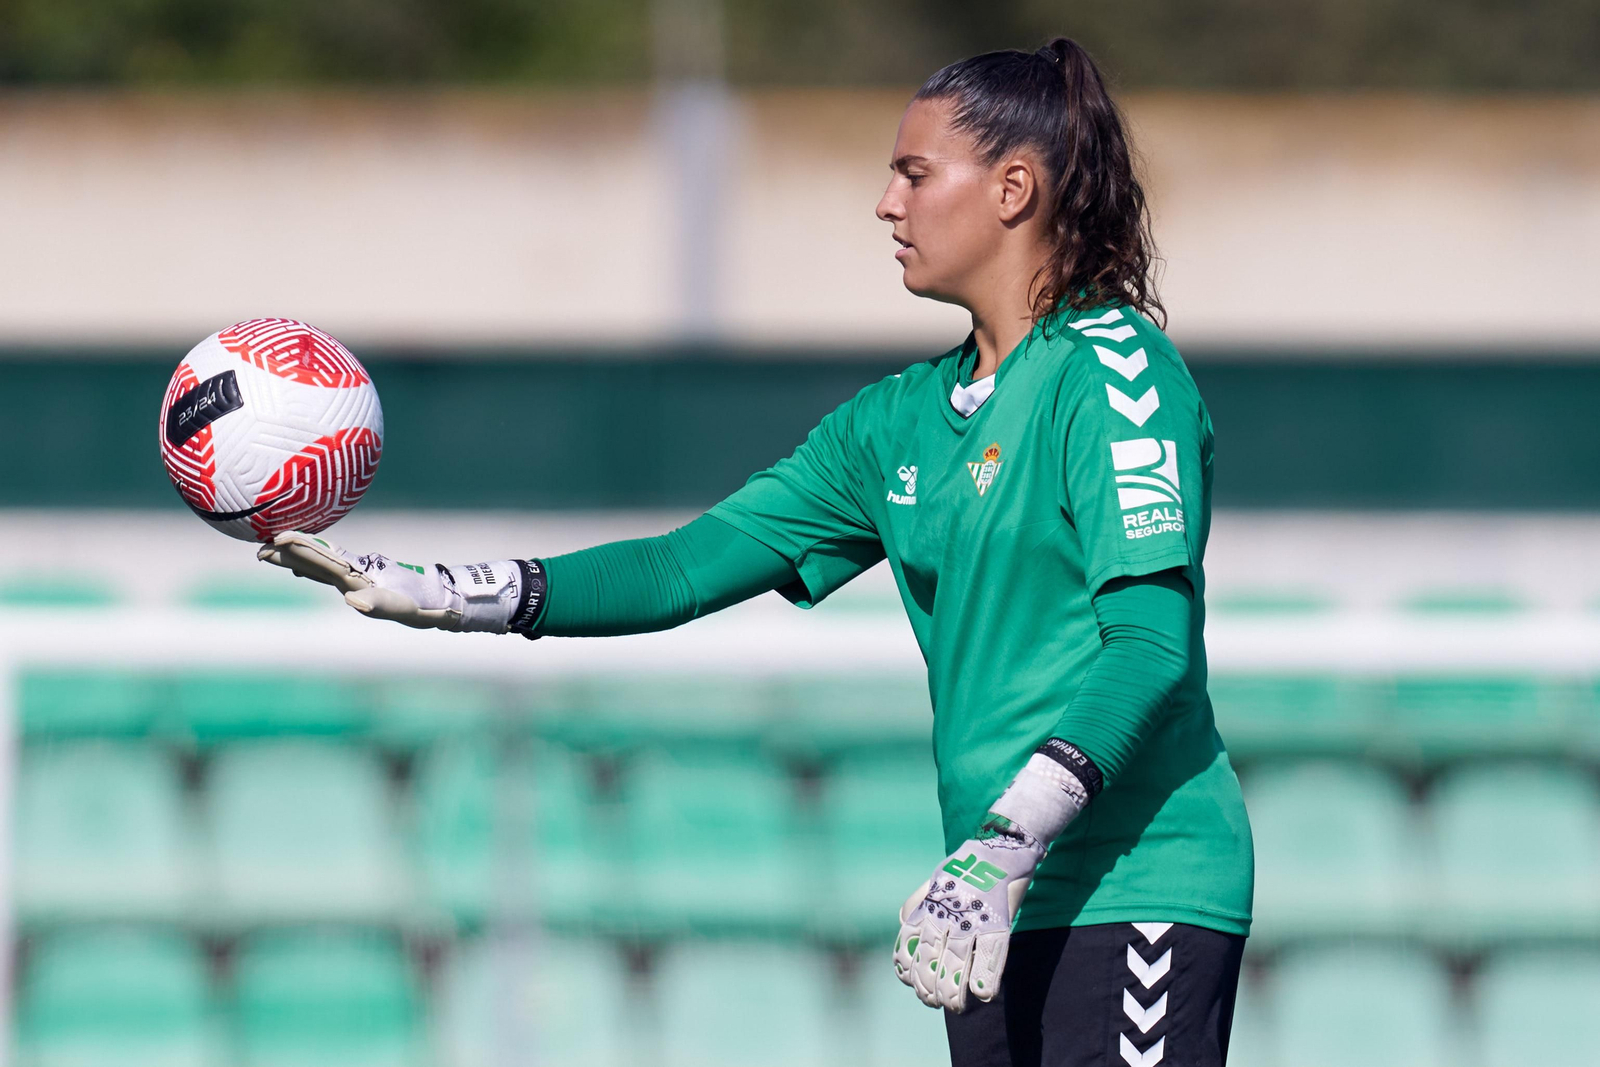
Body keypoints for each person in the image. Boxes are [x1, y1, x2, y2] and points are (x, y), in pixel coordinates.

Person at [261, 36, 1252, 1067]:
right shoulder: (897, 421)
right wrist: (447, 593)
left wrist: (1008, 838)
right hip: (983, 895)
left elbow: (1147, 646)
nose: (885, 203)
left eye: (913, 173)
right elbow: (682, 568)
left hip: (1139, 878)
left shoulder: (1114, 369)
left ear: (1013, 189)